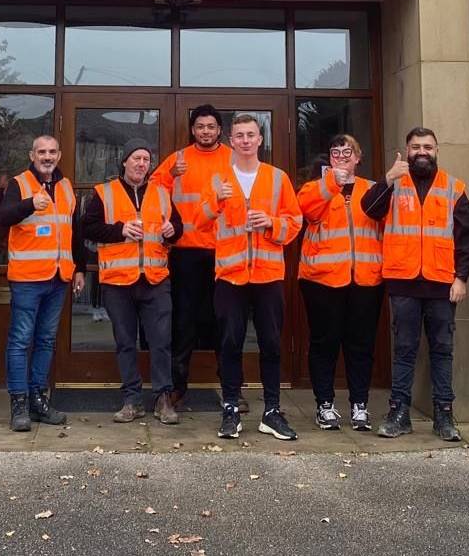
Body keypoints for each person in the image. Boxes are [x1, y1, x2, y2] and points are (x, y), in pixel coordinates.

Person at [362, 126, 469, 441]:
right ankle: (398, 413)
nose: (422, 152)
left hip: (442, 285)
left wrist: (461, 278)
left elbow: (467, 238)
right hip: (404, 283)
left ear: (437, 150)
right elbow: (369, 210)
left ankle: (444, 415)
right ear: (407, 150)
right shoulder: (394, 184)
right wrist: (387, 179)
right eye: (415, 147)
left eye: (427, 146)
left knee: (442, 350)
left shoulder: (453, 187)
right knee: (404, 350)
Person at [208, 114, 301, 441]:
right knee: (230, 343)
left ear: (260, 139)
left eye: (251, 134)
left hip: (268, 275)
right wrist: (215, 203)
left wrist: (271, 223)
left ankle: (272, 412)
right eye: (239, 135)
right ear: (231, 141)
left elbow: (295, 222)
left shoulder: (278, 178)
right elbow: (200, 224)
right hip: (230, 276)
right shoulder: (218, 179)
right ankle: (230, 409)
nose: (245, 140)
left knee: (271, 344)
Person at [83, 140, 185, 424]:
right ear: (124, 162)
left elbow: (178, 229)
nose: (142, 164)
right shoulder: (103, 193)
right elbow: (87, 227)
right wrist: (120, 230)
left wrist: (171, 230)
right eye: (136, 158)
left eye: (146, 159)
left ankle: (164, 398)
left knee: (161, 341)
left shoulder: (162, 194)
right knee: (125, 341)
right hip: (118, 281)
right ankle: (132, 399)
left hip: (155, 279)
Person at [296, 133, 385, 433]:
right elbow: (307, 211)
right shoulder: (315, 188)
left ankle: (360, 405)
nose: (343, 156)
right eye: (336, 152)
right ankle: (325, 405)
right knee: (324, 344)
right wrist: (332, 181)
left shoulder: (372, 189)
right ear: (329, 157)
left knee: (361, 346)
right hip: (322, 280)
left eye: (349, 152)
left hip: (366, 279)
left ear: (359, 157)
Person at [0, 133, 86, 432]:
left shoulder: (65, 186)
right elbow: (4, 217)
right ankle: (19, 403)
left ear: (59, 155)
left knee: (47, 340)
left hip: (58, 277)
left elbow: (73, 230)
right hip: (27, 279)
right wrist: (28, 204)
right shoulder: (19, 183)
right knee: (21, 341)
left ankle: (38, 399)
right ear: (32, 155)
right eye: (41, 152)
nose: (47, 157)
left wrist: (79, 268)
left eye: (52, 152)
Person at [149, 103, 232, 412]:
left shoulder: (233, 159)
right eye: (200, 127)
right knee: (182, 323)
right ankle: (176, 389)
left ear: (219, 130)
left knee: (225, 322)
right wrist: (170, 175)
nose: (205, 131)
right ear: (193, 130)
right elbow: (152, 191)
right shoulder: (178, 160)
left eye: (211, 126)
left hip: (224, 252)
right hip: (185, 252)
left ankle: (230, 390)